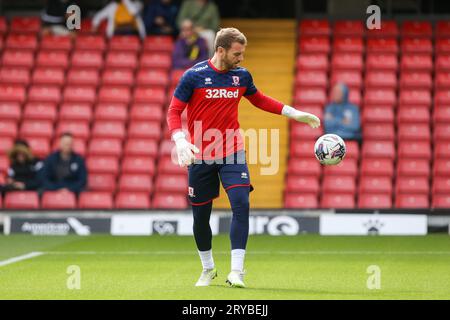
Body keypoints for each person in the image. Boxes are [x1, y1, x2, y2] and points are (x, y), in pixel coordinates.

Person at [166, 28, 320, 288]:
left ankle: (236, 272)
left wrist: (294, 113)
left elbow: (259, 100)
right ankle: (208, 268)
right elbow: (174, 111)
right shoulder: (193, 76)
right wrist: (180, 140)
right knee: (200, 217)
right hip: (200, 155)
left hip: (231, 151)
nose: (241, 59)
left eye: (243, 53)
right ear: (221, 50)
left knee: (241, 203)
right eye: (237, 54)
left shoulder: (241, 76)